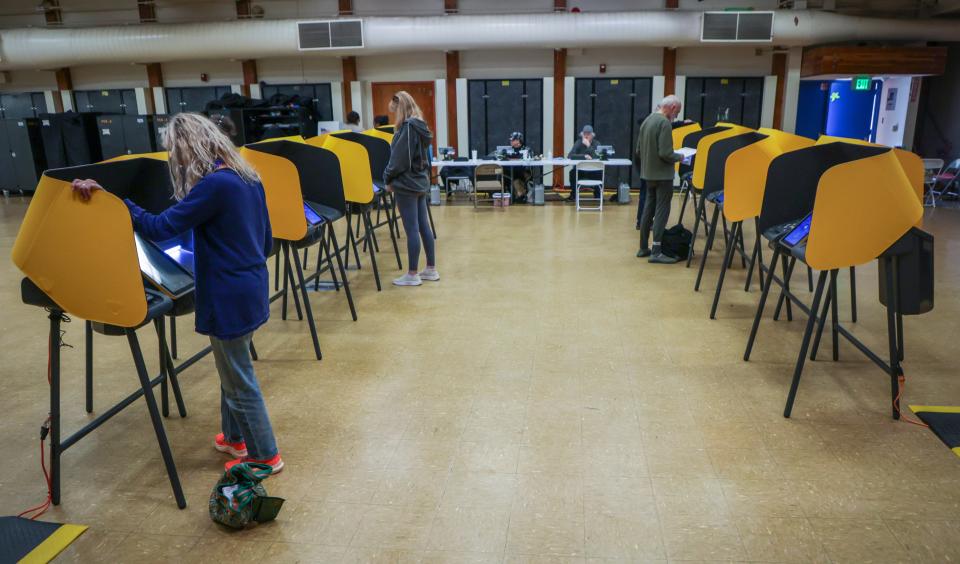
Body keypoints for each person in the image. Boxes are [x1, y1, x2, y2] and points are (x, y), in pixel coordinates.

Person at [71, 113, 283, 474]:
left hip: (228, 293)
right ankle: (233, 438)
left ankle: (265, 456)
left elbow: (161, 227)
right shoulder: (247, 177)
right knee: (231, 367)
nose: (173, 159)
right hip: (251, 285)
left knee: (239, 378)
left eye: (174, 151)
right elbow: (265, 239)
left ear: (189, 148)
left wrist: (116, 202)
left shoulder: (215, 184)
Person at [384, 91, 439, 287]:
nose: (393, 115)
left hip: (406, 184)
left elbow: (398, 161)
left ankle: (412, 273)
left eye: (394, 111)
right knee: (424, 226)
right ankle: (431, 269)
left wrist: (387, 178)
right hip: (420, 182)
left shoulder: (407, 128)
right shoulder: (421, 126)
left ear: (401, 108)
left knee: (412, 229)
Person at [636, 95, 685, 264]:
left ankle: (643, 247)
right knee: (662, 211)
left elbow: (638, 150)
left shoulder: (647, 121)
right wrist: (680, 156)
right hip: (663, 176)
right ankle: (656, 251)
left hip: (648, 175)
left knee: (647, 210)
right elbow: (665, 153)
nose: (675, 116)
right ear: (671, 108)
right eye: (676, 113)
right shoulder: (664, 123)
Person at [566, 125, 602, 202]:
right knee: (572, 173)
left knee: (600, 173)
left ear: (592, 135)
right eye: (584, 133)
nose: (586, 135)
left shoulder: (597, 143)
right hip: (580, 171)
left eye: (588, 134)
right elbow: (570, 155)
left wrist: (589, 146)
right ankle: (573, 195)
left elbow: (598, 157)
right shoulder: (578, 143)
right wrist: (584, 156)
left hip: (594, 171)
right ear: (582, 134)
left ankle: (598, 195)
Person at [505, 131, 533, 203]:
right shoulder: (508, 150)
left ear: (518, 141)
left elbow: (527, 158)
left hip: (523, 172)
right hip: (512, 172)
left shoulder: (527, 149)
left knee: (515, 176)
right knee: (502, 173)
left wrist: (511, 158)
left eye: (513, 140)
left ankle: (520, 194)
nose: (511, 141)